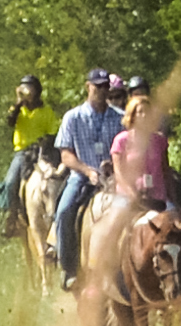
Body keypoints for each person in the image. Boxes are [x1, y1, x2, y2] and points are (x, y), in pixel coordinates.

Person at [53, 69, 126, 290]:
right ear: (88, 87)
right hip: (82, 178)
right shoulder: (72, 117)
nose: (102, 91)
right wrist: (88, 171)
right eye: (97, 87)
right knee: (64, 211)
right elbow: (66, 154)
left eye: (105, 87)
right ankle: (69, 269)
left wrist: (113, 167)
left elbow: (128, 147)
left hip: (115, 178)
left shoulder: (120, 118)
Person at [0, 75, 60, 229]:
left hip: (41, 151)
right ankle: (10, 216)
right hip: (23, 152)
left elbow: (53, 132)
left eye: (30, 89)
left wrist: (45, 142)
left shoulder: (46, 111)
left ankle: (55, 211)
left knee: (56, 177)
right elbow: (10, 121)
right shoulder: (19, 110)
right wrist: (18, 103)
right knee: (11, 181)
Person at [109, 94, 170, 210]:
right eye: (140, 112)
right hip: (128, 197)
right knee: (114, 223)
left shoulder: (159, 141)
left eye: (147, 112)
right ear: (132, 116)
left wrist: (172, 197)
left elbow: (166, 170)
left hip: (157, 197)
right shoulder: (121, 141)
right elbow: (118, 173)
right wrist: (131, 192)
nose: (144, 115)